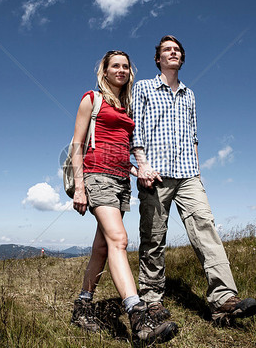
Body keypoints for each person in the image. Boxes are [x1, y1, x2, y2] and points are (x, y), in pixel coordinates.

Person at [131, 36, 256, 324]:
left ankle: (223, 299)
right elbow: (135, 131)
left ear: (182, 58)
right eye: (167, 50)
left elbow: (194, 136)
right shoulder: (143, 88)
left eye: (177, 50)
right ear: (158, 58)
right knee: (153, 237)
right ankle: (151, 300)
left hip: (189, 173)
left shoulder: (190, 94)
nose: (173, 52)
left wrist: (198, 172)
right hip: (155, 173)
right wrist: (141, 165)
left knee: (206, 228)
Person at [70, 50, 178, 345]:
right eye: (114, 65)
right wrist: (80, 187)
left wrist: (138, 170)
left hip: (120, 181)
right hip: (96, 177)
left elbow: (122, 149)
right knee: (119, 239)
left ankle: (82, 306)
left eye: (125, 66)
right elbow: (76, 145)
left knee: (102, 247)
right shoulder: (92, 99)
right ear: (104, 71)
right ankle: (139, 318)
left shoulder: (127, 106)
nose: (121, 70)